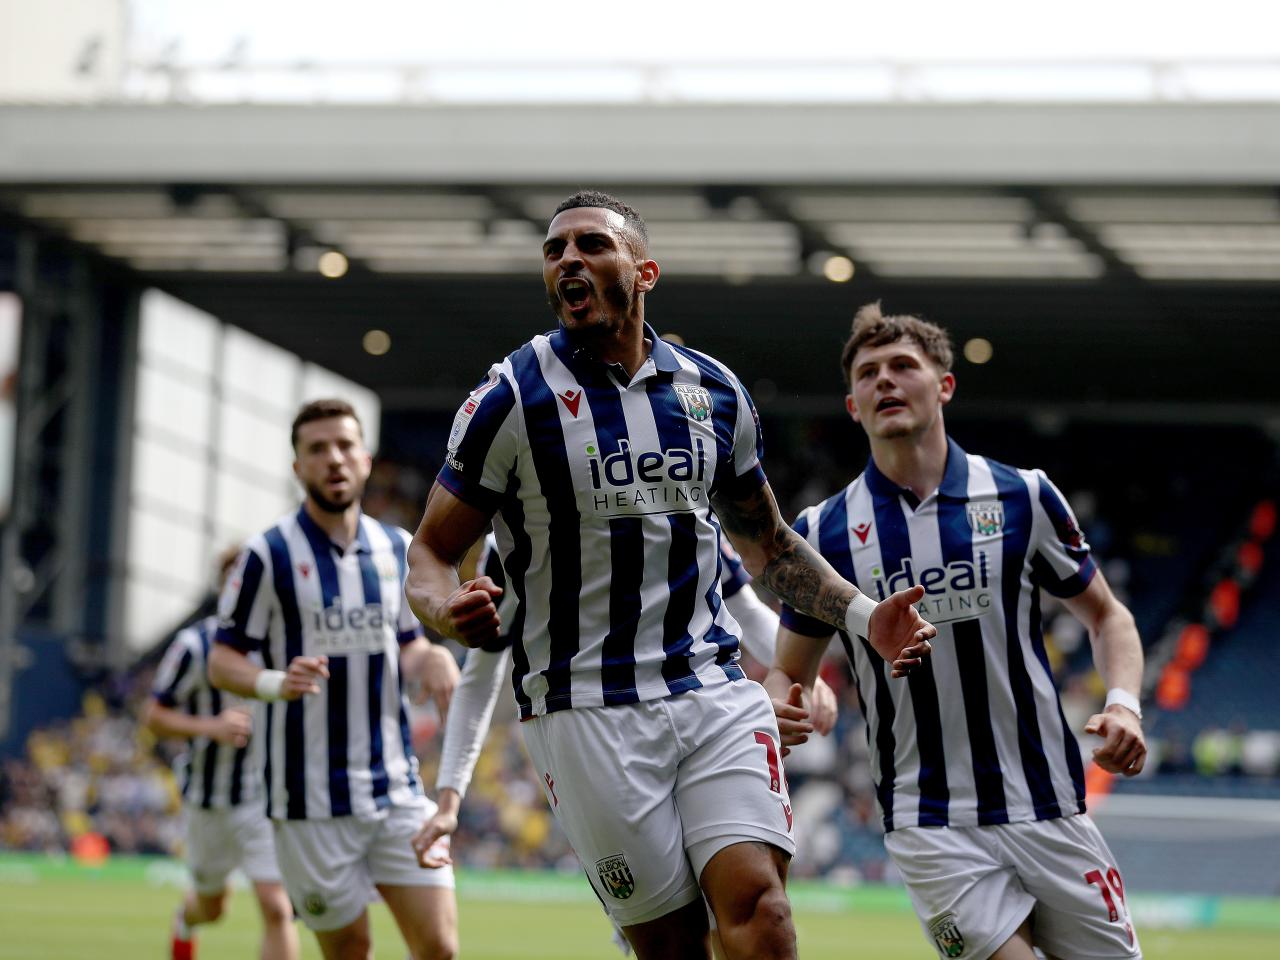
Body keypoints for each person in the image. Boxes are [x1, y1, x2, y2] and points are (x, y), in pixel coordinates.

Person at [404, 190, 935, 960]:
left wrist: (862, 618)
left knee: (765, 915)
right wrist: (449, 614)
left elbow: (769, 546)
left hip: (711, 692)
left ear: (644, 271)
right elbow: (428, 552)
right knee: (672, 945)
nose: (568, 261)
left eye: (591, 245)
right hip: (584, 709)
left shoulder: (712, 392)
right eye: (555, 252)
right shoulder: (511, 397)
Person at [765, 303, 1146, 960]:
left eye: (902, 365)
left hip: (1047, 803)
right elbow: (788, 670)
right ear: (853, 405)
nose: (885, 379)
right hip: (928, 817)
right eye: (868, 372)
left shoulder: (1022, 496)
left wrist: (1124, 704)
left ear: (944, 385)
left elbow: (1108, 615)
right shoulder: (823, 531)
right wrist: (781, 699)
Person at [413, 534, 839, 958]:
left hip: (707, 707)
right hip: (594, 737)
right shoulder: (516, 534)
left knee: (759, 912)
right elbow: (481, 674)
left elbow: (741, 605)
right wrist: (449, 798)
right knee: (676, 939)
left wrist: (797, 671)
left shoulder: (679, 483)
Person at [208, 398, 462, 960]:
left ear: (366, 460)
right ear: (297, 466)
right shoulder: (266, 557)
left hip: (394, 790)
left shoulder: (395, 549)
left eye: (345, 446)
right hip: (307, 802)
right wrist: (276, 681)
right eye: (317, 449)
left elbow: (407, 647)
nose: (334, 459)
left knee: (440, 947)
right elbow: (222, 661)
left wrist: (435, 658)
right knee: (349, 950)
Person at [145, 548, 299, 960]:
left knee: (277, 907)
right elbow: (154, 716)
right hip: (207, 799)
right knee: (211, 909)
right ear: (225, 588)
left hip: (260, 798)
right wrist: (211, 727)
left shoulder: (281, 646)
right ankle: (187, 917)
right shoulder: (193, 646)